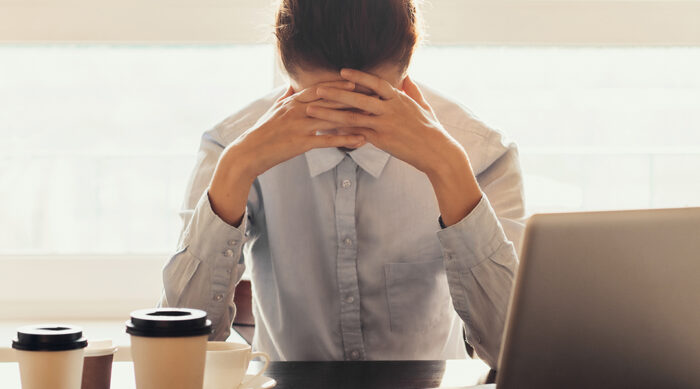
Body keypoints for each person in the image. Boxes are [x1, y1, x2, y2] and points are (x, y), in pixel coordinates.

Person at [160, 0, 525, 368]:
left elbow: (514, 353)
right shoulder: (230, 146)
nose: (347, 128)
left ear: (408, 65)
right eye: (320, 104)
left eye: (368, 104)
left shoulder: (482, 152)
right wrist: (236, 170)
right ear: (287, 74)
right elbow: (177, 351)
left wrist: (449, 170)